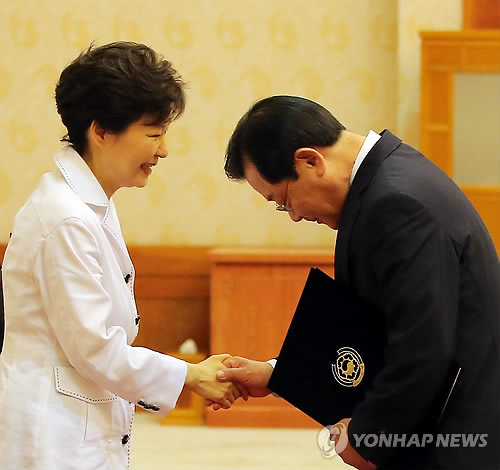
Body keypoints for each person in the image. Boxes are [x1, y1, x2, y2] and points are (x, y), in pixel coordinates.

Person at [210, 95, 500, 470]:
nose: (294, 216)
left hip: (462, 429)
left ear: (310, 161)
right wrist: (279, 374)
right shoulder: (386, 181)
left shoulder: (398, 203)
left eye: (284, 200)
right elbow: (369, 330)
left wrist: (368, 438)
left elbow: (422, 345)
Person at [0, 42, 245, 470]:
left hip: (78, 420)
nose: (164, 150)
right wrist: (190, 374)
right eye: (153, 134)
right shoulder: (66, 216)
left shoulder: (87, 201)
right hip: (52, 435)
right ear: (101, 131)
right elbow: (95, 349)